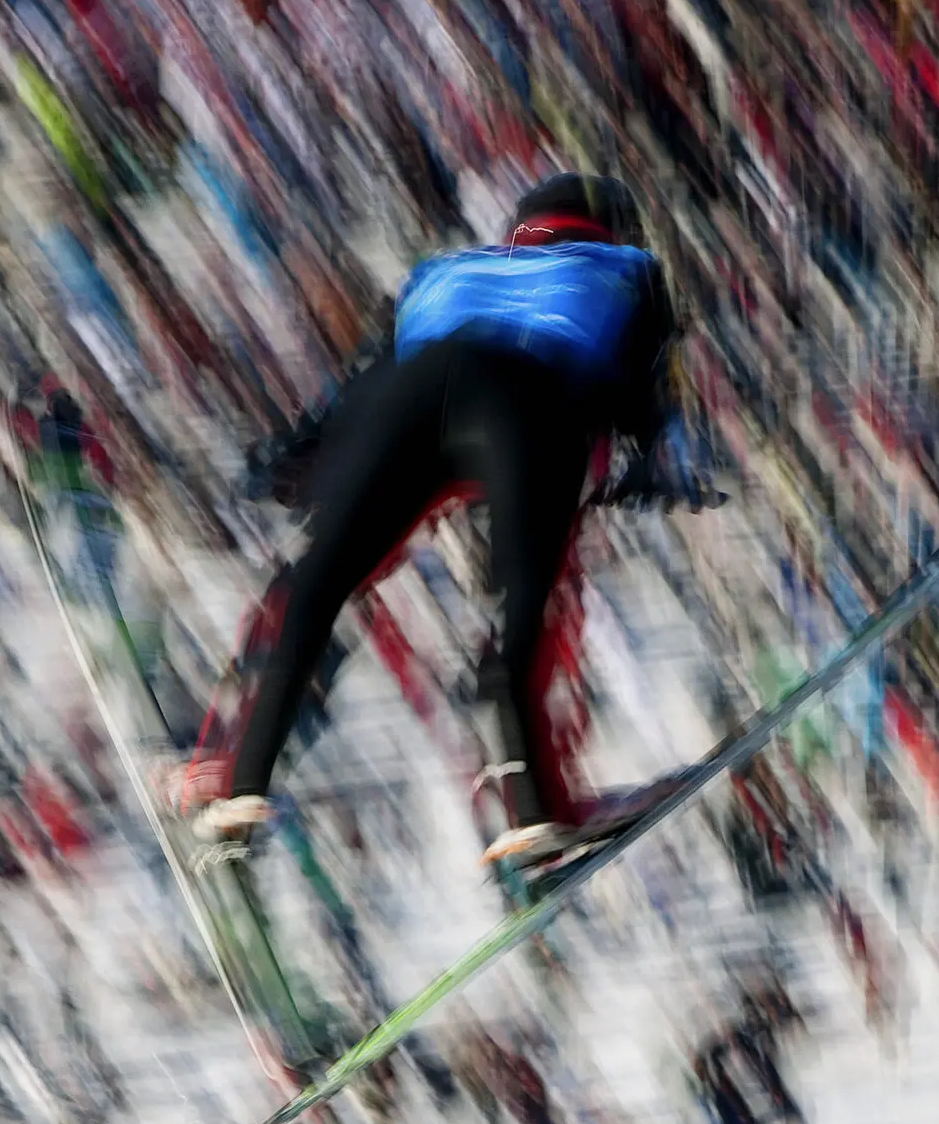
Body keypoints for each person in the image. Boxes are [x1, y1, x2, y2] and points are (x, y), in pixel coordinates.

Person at [182, 173, 714, 860]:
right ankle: (537, 807)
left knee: (315, 584)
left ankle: (238, 779)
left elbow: (362, 381)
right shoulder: (628, 269)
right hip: (528, 400)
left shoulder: (447, 272)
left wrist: (301, 448)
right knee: (529, 603)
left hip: (409, 394)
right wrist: (655, 464)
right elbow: (648, 393)